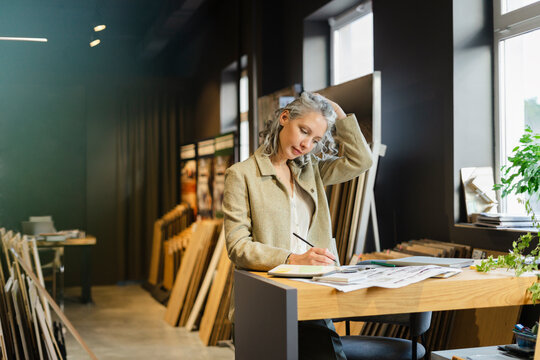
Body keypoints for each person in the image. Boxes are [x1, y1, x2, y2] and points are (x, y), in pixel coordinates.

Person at [223, 91, 372, 359]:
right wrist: (292, 258)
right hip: (267, 298)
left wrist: (338, 113)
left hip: (313, 294)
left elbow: (361, 161)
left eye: (315, 140)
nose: (306, 145)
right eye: (304, 131)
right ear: (284, 118)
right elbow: (237, 246)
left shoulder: (311, 170)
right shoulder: (241, 175)